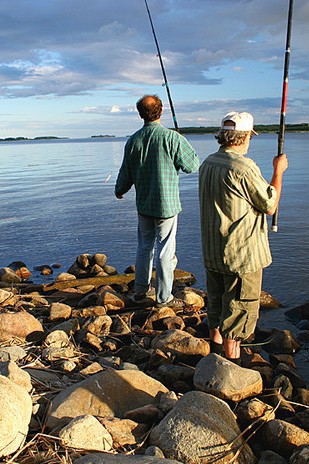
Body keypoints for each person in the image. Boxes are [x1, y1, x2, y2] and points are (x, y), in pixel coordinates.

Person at [199, 111, 288, 363]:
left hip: (213, 251)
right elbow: (270, 205)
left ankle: (213, 358)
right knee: (238, 308)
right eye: (249, 135)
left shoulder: (207, 163)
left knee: (216, 305)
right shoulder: (245, 168)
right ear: (244, 136)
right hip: (241, 254)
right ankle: (230, 365)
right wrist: (278, 171)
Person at [115, 94, 199, 307]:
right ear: (160, 111)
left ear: (140, 114)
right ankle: (164, 298)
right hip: (166, 206)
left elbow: (126, 172)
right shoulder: (172, 138)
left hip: (144, 204)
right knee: (165, 250)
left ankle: (141, 290)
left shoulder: (133, 140)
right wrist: (183, 143)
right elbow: (193, 165)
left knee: (144, 247)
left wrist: (119, 189)